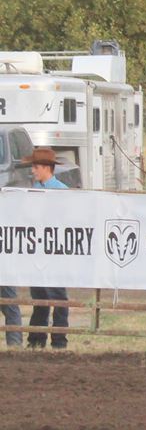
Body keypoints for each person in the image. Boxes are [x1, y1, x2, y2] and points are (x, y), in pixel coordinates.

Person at [24, 148, 69, 349]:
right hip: (39, 249)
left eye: (35, 167)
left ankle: (57, 340)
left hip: (54, 250)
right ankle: (39, 339)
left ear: (46, 168)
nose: (33, 170)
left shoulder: (60, 191)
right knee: (40, 295)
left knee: (56, 295)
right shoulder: (35, 189)